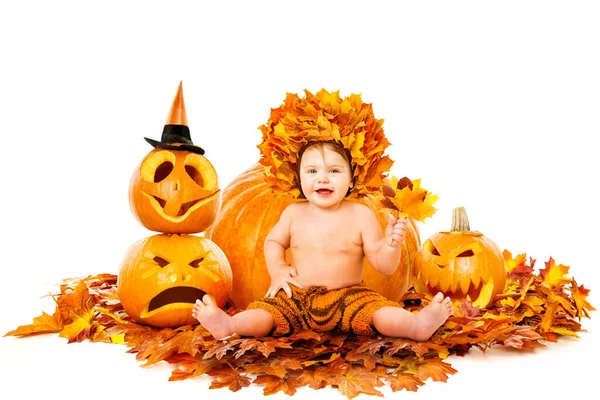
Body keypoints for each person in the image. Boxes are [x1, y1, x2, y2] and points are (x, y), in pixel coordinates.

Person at [193, 140, 453, 340]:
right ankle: (230, 325)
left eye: (335, 170)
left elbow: (383, 265)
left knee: (380, 313)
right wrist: (279, 270)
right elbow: (273, 242)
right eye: (312, 170)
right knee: (265, 315)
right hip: (297, 297)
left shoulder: (361, 214)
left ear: (351, 180)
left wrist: (391, 245)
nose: (323, 178)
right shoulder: (293, 213)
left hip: (350, 296)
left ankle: (415, 326)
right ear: (300, 178)